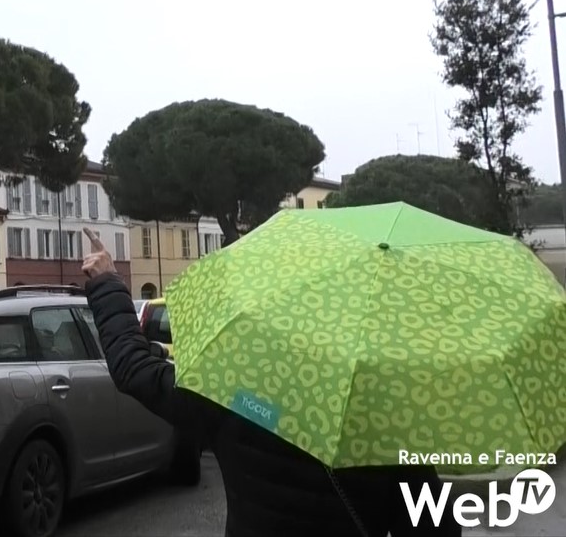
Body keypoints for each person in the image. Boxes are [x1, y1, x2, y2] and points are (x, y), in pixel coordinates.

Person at [79, 227, 461, 537]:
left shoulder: (234, 394)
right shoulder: (387, 417)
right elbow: (436, 529)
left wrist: (108, 283)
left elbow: (134, 368)